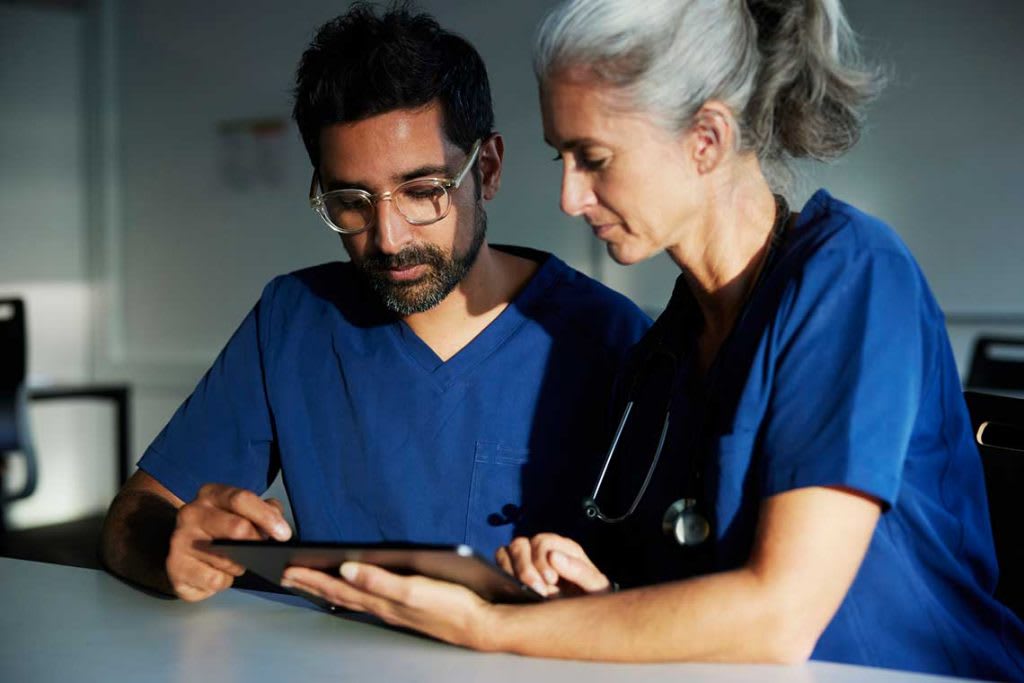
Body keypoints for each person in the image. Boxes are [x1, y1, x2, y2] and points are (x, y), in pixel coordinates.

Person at [277, 0, 1024, 679]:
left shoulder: (852, 276)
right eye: (560, 157)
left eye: (593, 159)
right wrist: (595, 595)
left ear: (706, 139)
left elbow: (780, 616)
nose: (569, 197)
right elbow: (694, 592)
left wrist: (489, 624)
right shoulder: (664, 350)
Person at [99, 4, 649, 603]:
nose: (388, 238)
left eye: (421, 191)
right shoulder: (294, 320)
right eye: (351, 201)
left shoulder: (612, 340)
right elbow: (135, 514)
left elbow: (665, 588)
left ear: (486, 168)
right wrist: (174, 547)